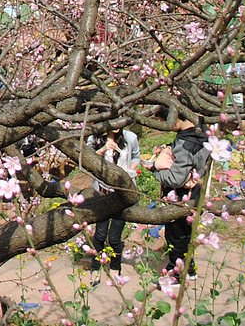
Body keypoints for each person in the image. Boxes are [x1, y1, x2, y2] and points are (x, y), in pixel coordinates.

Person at [149, 116, 211, 278]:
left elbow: (177, 179)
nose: (168, 124)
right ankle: (189, 269)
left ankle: (175, 274)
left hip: (181, 196)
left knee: (176, 235)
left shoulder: (187, 144)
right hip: (196, 191)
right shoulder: (201, 132)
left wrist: (156, 171)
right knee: (186, 232)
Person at [88, 127, 141, 273]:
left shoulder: (130, 137)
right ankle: (96, 267)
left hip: (123, 194)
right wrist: (104, 148)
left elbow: (136, 156)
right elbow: (86, 159)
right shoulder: (94, 139)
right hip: (102, 193)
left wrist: (131, 168)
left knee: (114, 237)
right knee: (100, 234)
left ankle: (115, 267)